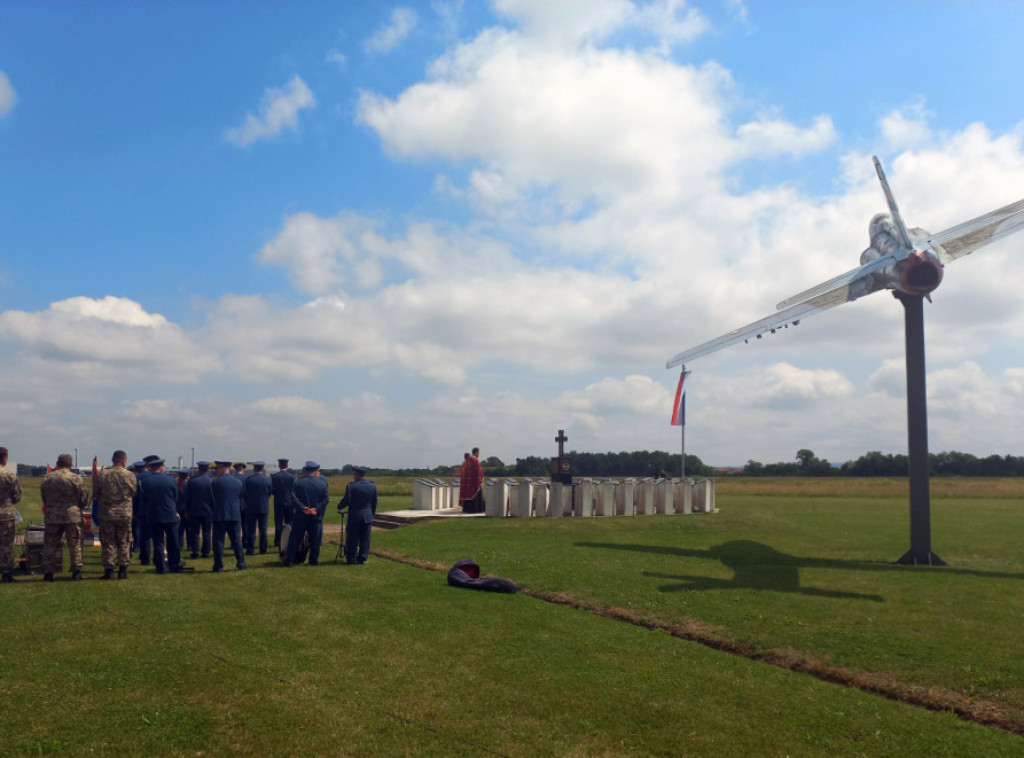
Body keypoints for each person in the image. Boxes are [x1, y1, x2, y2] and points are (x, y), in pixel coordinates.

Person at [40, 453, 89, 581]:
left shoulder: (47, 478)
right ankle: (76, 572)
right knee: (75, 544)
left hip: (53, 515)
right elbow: (83, 499)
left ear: (57, 463)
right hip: (71, 515)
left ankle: (48, 573)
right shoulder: (76, 478)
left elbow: (44, 497)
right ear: (70, 464)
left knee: (50, 544)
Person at [93, 450, 137, 580]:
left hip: (107, 513)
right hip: (124, 514)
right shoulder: (130, 475)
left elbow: (95, 494)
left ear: (113, 460)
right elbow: (133, 492)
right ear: (124, 460)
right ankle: (123, 570)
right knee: (124, 541)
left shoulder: (103, 475)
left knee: (108, 542)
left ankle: (109, 570)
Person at [139, 458, 187, 573]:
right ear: (161, 467)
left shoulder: (145, 482)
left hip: (154, 514)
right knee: (173, 541)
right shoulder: (171, 480)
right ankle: (174, 565)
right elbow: (176, 497)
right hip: (170, 514)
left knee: (158, 542)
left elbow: (144, 500)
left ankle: (160, 567)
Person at [285, 461, 328, 566]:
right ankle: (313, 561)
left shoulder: (298, 482)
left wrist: (302, 507)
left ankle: (290, 560)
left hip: (301, 515)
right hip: (315, 516)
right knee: (315, 540)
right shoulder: (322, 483)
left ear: (306, 470)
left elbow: (293, 497)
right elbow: (326, 499)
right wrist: (316, 509)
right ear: (315, 471)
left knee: (295, 538)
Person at [210, 460, 246, 572]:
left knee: (218, 541)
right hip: (234, 514)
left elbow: (212, 498)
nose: (216, 471)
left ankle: (218, 565)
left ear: (222, 468)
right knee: (236, 540)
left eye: (217, 468)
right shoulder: (238, 482)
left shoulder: (215, 482)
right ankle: (241, 562)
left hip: (220, 515)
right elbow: (241, 497)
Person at [339, 465, 378, 565]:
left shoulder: (351, 486)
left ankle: (352, 558)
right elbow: (374, 503)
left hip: (355, 516)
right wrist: (371, 515)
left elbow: (346, 501)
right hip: (367, 516)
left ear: (356, 474)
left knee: (352, 538)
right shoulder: (373, 486)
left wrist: (339, 506)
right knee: (365, 539)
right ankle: (362, 558)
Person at [0, 446, 23, 583]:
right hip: (6, 513)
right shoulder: (9, 475)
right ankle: (6, 573)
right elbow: (17, 496)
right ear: (5, 458)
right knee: (6, 544)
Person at [182, 461, 214, 558]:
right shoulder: (211, 481)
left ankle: (195, 551)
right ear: (207, 469)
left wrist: (186, 510)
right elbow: (213, 498)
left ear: (199, 469)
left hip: (194, 510)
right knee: (207, 532)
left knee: (194, 533)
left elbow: (187, 497)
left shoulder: (192, 481)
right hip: (208, 511)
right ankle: (206, 552)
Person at [242, 461, 272, 555]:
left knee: (251, 530)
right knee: (263, 530)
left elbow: (244, 493)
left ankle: (250, 549)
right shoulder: (268, 480)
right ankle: (263, 549)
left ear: (254, 468)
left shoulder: (249, 480)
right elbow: (269, 492)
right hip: (263, 507)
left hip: (251, 507)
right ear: (262, 469)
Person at [270, 458, 294, 548]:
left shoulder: (275, 476)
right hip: (289, 502)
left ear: (279, 465)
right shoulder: (291, 477)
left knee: (278, 523)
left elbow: (272, 490)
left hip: (279, 502)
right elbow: (293, 490)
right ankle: (289, 539)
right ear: (287, 465)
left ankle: (278, 541)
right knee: (289, 523)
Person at [459, 447, 484, 513]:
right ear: (476, 452)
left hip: (468, 482)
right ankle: (476, 509)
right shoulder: (476, 460)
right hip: (474, 482)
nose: (479, 454)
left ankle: (467, 509)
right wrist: (480, 480)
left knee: (468, 496)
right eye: (479, 452)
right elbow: (478, 471)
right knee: (476, 494)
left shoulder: (467, 461)